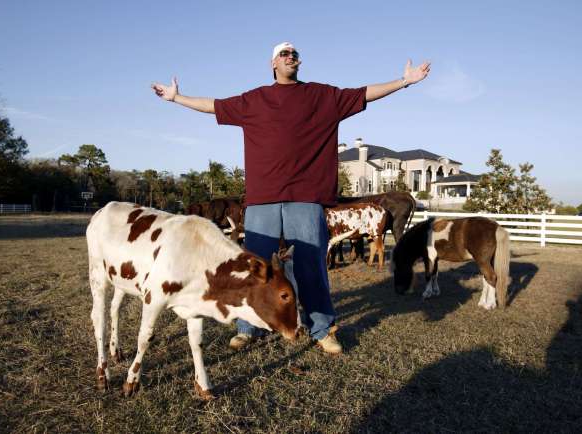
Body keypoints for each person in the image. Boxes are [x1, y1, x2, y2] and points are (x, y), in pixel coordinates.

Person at [151, 42, 430, 354]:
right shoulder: (254, 100)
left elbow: (364, 93)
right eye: (284, 54)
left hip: (306, 197)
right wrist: (176, 98)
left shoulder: (322, 97)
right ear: (273, 63)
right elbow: (212, 106)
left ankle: (321, 328)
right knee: (255, 267)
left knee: (312, 265)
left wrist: (404, 81)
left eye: (294, 54)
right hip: (262, 198)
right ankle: (248, 327)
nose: (290, 57)